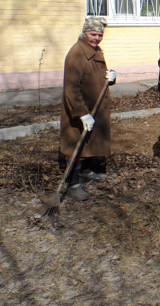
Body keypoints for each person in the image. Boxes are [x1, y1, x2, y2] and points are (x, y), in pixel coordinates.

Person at [59, 17, 117, 201]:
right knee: (76, 144)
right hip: (79, 108)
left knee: (89, 142)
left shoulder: (95, 51)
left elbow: (95, 76)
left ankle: (86, 173)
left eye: (100, 35)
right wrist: (82, 113)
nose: (97, 38)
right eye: (93, 34)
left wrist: (110, 78)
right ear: (84, 33)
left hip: (94, 106)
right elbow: (71, 88)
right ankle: (73, 183)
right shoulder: (76, 54)